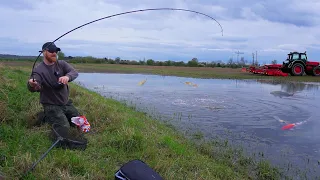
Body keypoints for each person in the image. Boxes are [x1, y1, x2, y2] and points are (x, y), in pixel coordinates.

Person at [27, 42, 80, 129]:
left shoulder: (62, 63)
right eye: (51, 51)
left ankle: (48, 117)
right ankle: (47, 115)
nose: (54, 53)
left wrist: (67, 77)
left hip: (65, 103)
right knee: (64, 127)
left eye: (56, 51)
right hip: (51, 105)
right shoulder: (38, 70)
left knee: (79, 123)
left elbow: (74, 72)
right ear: (44, 52)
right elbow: (33, 86)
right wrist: (32, 84)